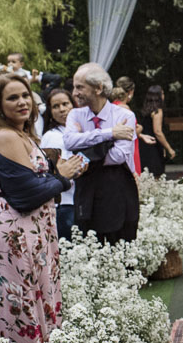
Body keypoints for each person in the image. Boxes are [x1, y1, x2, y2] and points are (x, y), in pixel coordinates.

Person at [0, 74, 84, 343]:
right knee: (24, 305)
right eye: (12, 98)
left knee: (41, 297)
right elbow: (25, 195)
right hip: (18, 231)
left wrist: (58, 173)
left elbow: (35, 182)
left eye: (25, 95)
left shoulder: (23, 134)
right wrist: (62, 178)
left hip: (36, 229)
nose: (22, 102)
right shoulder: (4, 135)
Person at [63, 63, 139, 244]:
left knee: (119, 239)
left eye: (80, 87)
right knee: (89, 238)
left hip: (117, 186)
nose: (74, 93)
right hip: (86, 187)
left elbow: (119, 155)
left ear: (98, 88)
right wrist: (110, 134)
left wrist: (83, 154)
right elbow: (69, 142)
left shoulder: (124, 116)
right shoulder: (75, 115)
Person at [39, 88, 80, 239]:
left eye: (65, 104)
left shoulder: (81, 131)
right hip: (64, 203)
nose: (62, 109)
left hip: (81, 201)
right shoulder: (51, 136)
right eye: (56, 106)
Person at [136, 85, 174, 176]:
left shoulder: (145, 110)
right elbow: (158, 132)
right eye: (163, 93)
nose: (164, 95)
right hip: (153, 147)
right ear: (159, 96)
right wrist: (169, 148)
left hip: (142, 145)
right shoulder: (157, 111)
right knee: (156, 174)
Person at [109, 75, 143, 176]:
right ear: (130, 92)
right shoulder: (125, 108)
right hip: (128, 145)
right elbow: (127, 132)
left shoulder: (112, 105)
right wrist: (140, 129)